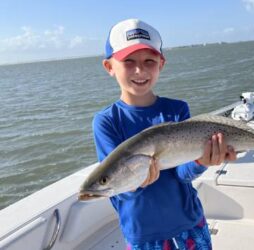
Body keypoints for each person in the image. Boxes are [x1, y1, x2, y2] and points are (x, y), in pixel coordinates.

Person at [93, 18, 236, 250]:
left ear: (161, 63)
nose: (139, 70)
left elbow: (183, 174)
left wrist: (202, 161)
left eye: (149, 60)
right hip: (142, 231)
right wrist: (134, 183)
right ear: (109, 67)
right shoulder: (106, 121)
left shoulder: (177, 109)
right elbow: (114, 185)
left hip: (189, 221)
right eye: (128, 61)